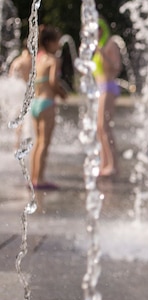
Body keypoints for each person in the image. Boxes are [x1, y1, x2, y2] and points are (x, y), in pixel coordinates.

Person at [30, 25, 67, 190]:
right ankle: (40, 179)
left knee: (37, 143)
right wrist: (62, 94)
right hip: (47, 104)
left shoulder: (38, 58)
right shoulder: (53, 60)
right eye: (58, 41)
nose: (59, 44)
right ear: (50, 42)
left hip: (35, 103)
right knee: (45, 143)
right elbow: (53, 82)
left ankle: (33, 178)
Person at [93, 18, 122, 177]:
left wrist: (103, 53)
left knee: (105, 126)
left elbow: (117, 66)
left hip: (109, 87)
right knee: (99, 128)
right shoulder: (98, 46)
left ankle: (113, 164)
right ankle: (104, 162)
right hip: (100, 87)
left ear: (102, 30)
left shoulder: (110, 44)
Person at [8, 40, 33, 149]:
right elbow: (30, 79)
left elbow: (10, 78)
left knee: (18, 118)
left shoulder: (16, 61)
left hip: (15, 92)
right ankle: (26, 144)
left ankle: (16, 144)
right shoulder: (29, 60)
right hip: (24, 91)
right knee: (26, 118)